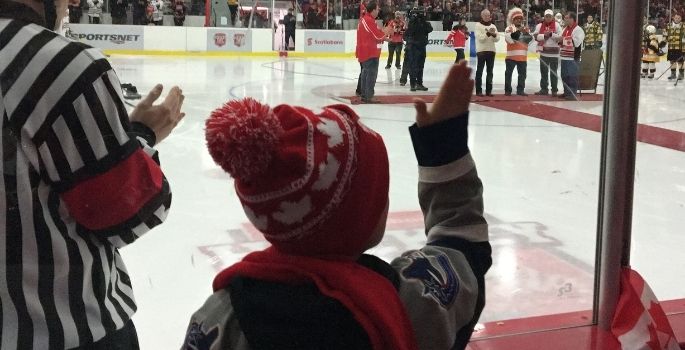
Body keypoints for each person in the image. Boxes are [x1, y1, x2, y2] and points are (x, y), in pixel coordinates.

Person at [182, 60, 491, 350]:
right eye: (377, 193)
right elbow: (462, 244)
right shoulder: (407, 302)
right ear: (354, 219)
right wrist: (443, 147)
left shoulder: (220, 320)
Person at [0, 0, 185, 347]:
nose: (68, 4)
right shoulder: (60, 64)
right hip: (69, 328)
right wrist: (141, 137)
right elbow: (129, 211)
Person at [355, 1, 391, 103]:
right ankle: (368, 96)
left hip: (366, 51)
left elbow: (375, 33)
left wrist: (385, 38)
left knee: (365, 73)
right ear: (373, 10)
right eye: (377, 9)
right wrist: (386, 33)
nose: (378, 11)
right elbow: (377, 35)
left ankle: (365, 95)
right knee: (370, 74)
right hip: (369, 52)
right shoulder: (368, 20)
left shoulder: (367, 20)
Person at [504, 7, 532, 96]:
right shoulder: (509, 28)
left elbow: (529, 40)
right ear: (513, 20)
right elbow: (509, 39)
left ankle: (520, 90)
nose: (519, 20)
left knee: (522, 75)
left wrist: (525, 33)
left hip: (523, 57)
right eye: (517, 19)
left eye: (520, 19)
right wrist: (519, 32)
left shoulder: (526, 29)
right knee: (508, 74)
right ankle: (508, 90)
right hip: (511, 57)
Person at [532, 9, 561, 96]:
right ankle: (544, 89)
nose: (548, 18)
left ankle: (554, 90)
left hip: (554, 54)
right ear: (544, 17)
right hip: (543, 53)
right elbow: (535, 37)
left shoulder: (557, 25)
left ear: (552, 17)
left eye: (550, 16)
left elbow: (560, 37)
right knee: (544, 72)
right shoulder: (539, 26)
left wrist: (551, 34)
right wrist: (544, 35)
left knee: (553, 73)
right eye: (546, 16)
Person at [404, 6, 432, 92]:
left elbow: (430, 29)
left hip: (422, 46)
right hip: (414, 47)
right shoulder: (412, 23)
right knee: (413, 66)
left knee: (421, 66)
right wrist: (414, 20)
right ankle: (413, 84)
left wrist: (422, 20)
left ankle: (419, 83)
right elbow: (409, 32)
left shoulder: (424, 23)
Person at [558, 12, 585, 100]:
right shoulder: (565, 28)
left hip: (572, 57)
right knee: (564, 76)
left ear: (572, 19)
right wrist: (558, 39)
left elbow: (576, 43)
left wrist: (563, 39)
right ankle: (567, 92)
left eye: (566, 18)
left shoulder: (578, 29)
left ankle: (572, 94)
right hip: (564, 56)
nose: (565, 19)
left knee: (572, 76)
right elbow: (560, 40)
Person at [475, 9, 499, 96]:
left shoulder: (493, 26)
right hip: (481, 51)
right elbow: (480, 38)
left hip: (491, 51)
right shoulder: (478, 25)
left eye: (488, 15)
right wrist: (488, 34)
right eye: (485, 15)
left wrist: (494, 35)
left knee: (490, 72)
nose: (487, 17)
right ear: (482, 16)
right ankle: (478, 91)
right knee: (480, 71)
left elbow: (497, 39)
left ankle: (489, 91)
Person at [666, 13, 684, 81]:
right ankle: (673, 74)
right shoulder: (669, 25)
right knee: (672, 61)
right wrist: (662, 43)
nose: (677, 19)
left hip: (680, 48)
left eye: (679, 18)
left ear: (681, 19)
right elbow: (666, 35)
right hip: (671, 47)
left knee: (680, 62)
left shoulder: (683, 26)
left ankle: (681, 74)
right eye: (676, 18)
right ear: (673, 18)